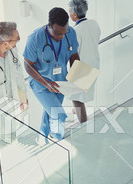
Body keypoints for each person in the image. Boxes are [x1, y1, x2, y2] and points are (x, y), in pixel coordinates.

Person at [23, 7, 80, 141]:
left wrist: (77, 75)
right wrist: (47, 83)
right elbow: (27, 65)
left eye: (64, 33)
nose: (61, 37)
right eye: (57, 33)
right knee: (59, 115)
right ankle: (58, 140)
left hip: (60, 83)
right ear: (49, 26)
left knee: (49, 114)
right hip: (40, 84)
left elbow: (74, 54)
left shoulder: (70, 33)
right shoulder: (35, 39)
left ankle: (42, 139)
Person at [68, 0, 101, 123]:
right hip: (95, 63)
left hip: (82, 67)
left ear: (74, 15)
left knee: (76, 98)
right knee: (80, 95)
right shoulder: (94, 24)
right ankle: (78, 113)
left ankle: (83, 124)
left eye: (69, 12)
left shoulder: (75, 31)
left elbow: (73, 52)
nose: (69, 14)